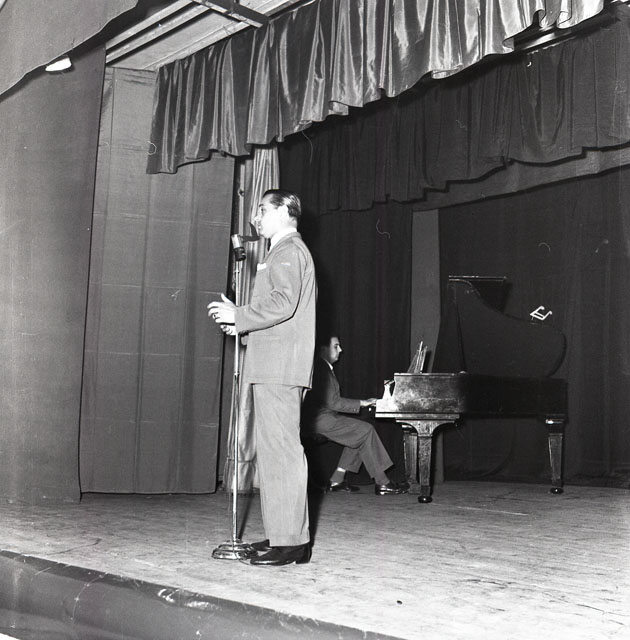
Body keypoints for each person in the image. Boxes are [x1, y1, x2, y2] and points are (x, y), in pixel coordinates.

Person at [208, 189, 316, 567]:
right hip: (272, 364)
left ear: (285, 211)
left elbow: (284, 303)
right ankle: (281, 534)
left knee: (281, 453)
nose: (256, 218)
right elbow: (279, 313)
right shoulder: (280, 252)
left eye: (263, 210)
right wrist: (241, 324)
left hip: (280, 368)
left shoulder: (288, 251)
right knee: (272, 455)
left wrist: (240, 315)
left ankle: (292, 543)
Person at [302, 333, 409, 495]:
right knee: (365, 430)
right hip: (319, 420)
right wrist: (362, 403)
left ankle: (337, 480)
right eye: (336, 346)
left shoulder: (322, 367)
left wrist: (363, 402)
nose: (341, 350)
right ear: (323, 349)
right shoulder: (321, 369)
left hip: (323, 417)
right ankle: (383, 483)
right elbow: (334, 403)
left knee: (358, 434)